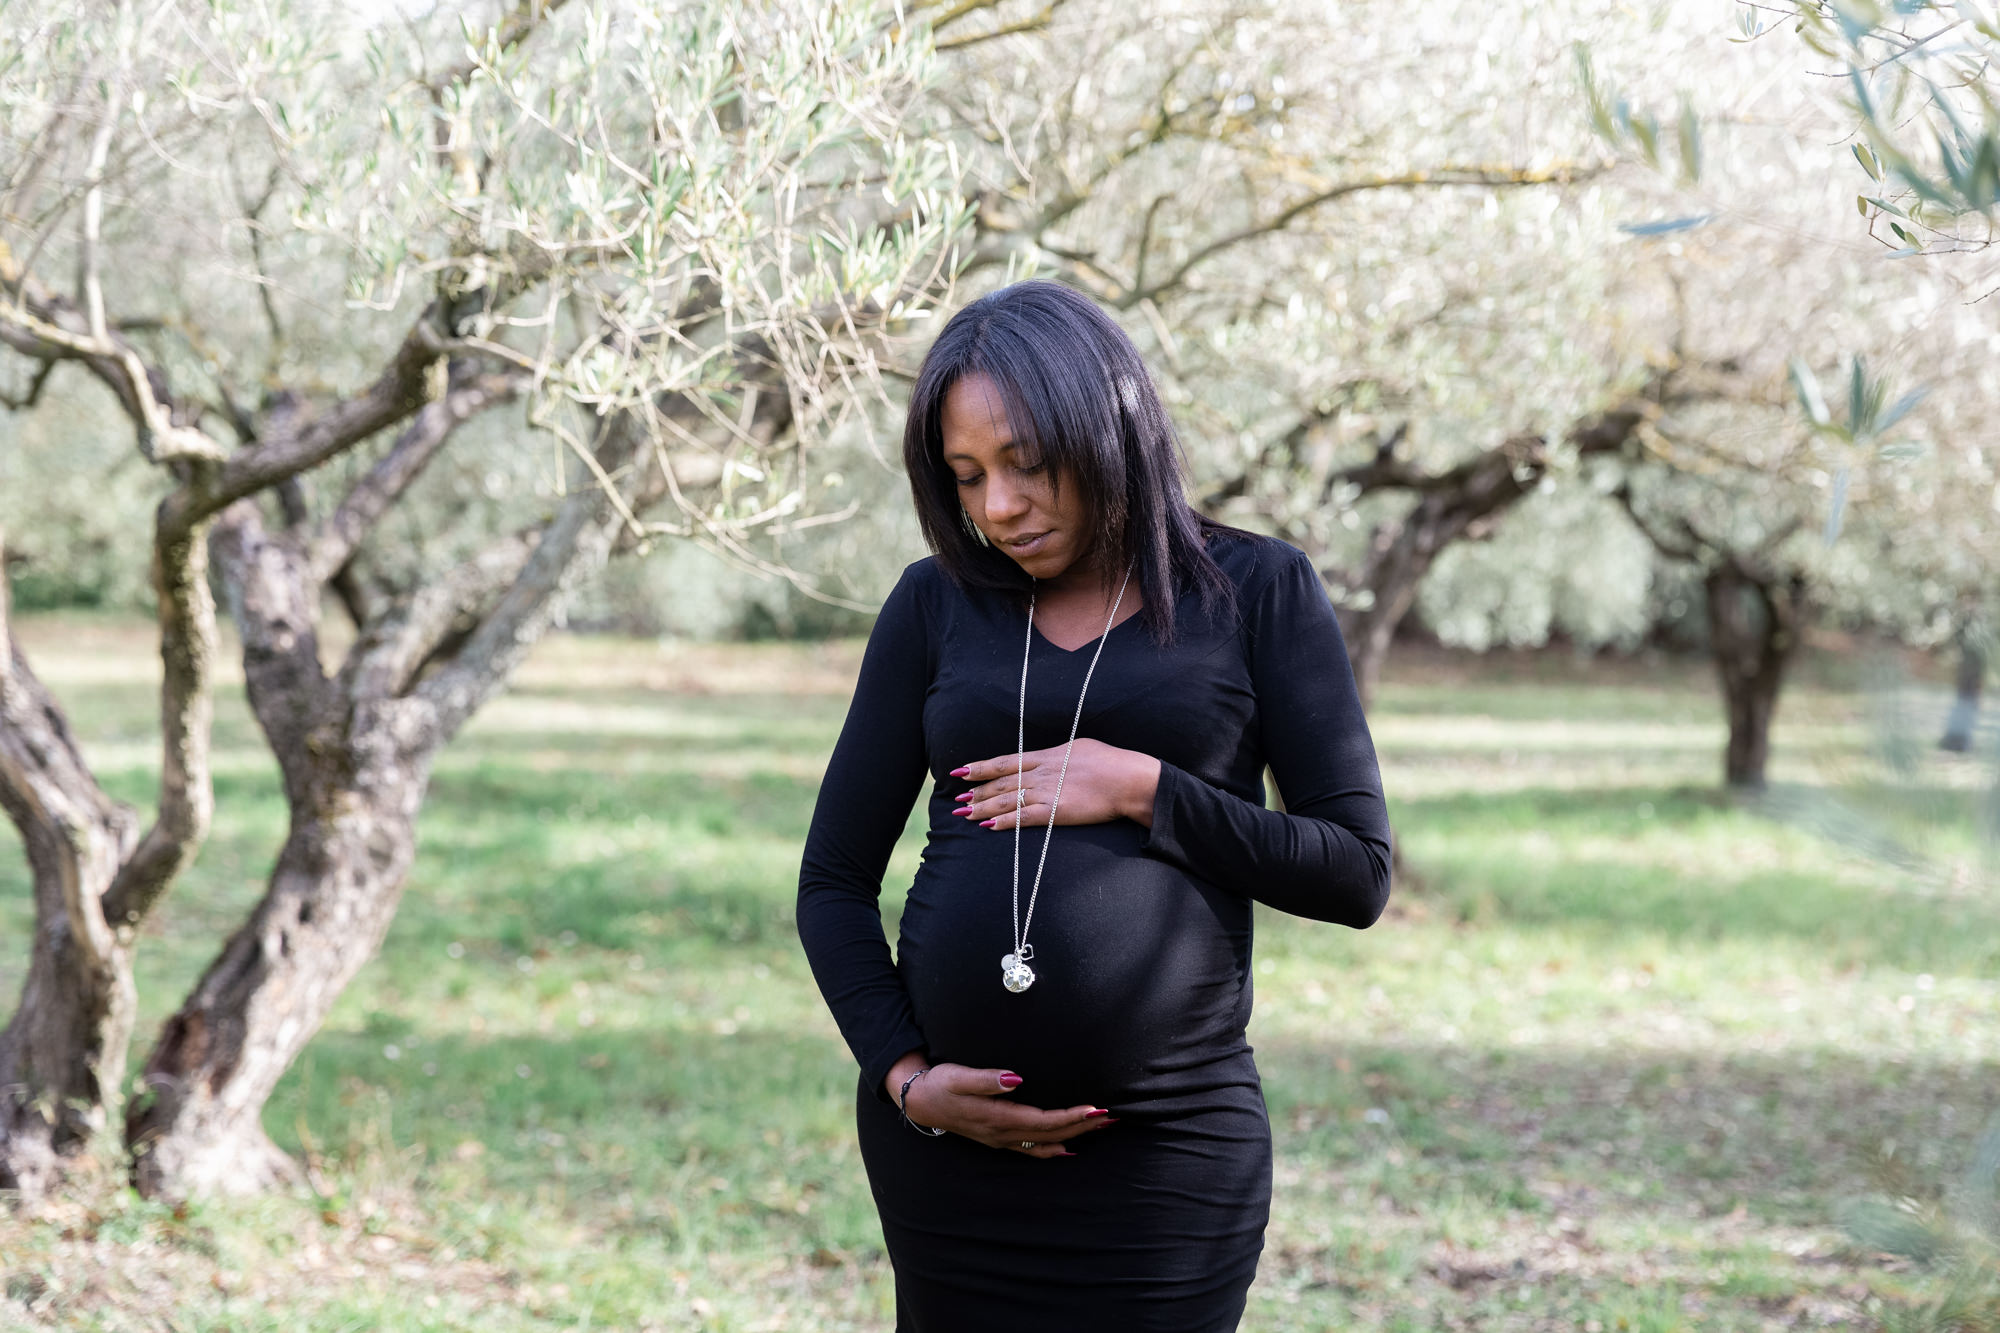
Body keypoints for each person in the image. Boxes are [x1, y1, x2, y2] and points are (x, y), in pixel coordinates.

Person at [795, 279, 1393, 1331]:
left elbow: (1353, 870)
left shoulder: (1254, 590)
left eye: (1024, 461)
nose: (996, 508)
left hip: (1165, 1162)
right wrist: (901, 1075)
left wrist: (1145, 789)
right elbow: (832, 882)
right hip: (945, 1163)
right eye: (965, 475)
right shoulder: (933, 605)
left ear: (1106, 422)